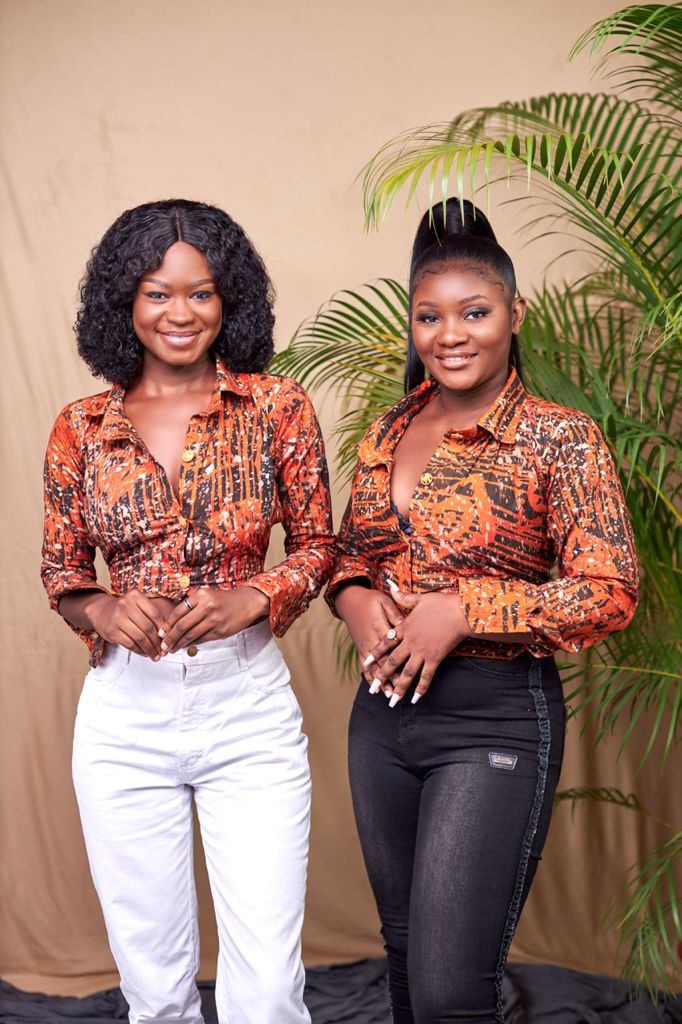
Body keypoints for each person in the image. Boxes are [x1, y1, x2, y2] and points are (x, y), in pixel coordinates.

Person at [327, 199, 638, 1024]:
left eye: (475, 312)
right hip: (382, 721)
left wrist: (466, 609)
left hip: (494, 723)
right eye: (429, 316)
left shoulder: (558, 438)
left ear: (515, 314)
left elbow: (611, 590)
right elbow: (351, 554)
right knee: (402, 958)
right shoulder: (388, 429)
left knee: (448, 987)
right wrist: (354, 599)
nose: (451, 334)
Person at [41, 199, 335, 1024]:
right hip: (124, 714)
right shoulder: (79, 428)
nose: (181, 314)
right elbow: (62, 569)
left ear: (229, 300)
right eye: (157, 294)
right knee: (156, 991)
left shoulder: (276, 408)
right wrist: (98, 608)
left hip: (247, 707)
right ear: (123, 304)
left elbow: (320, 546)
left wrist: (257, 595)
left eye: (201, 293)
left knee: (270, 992)